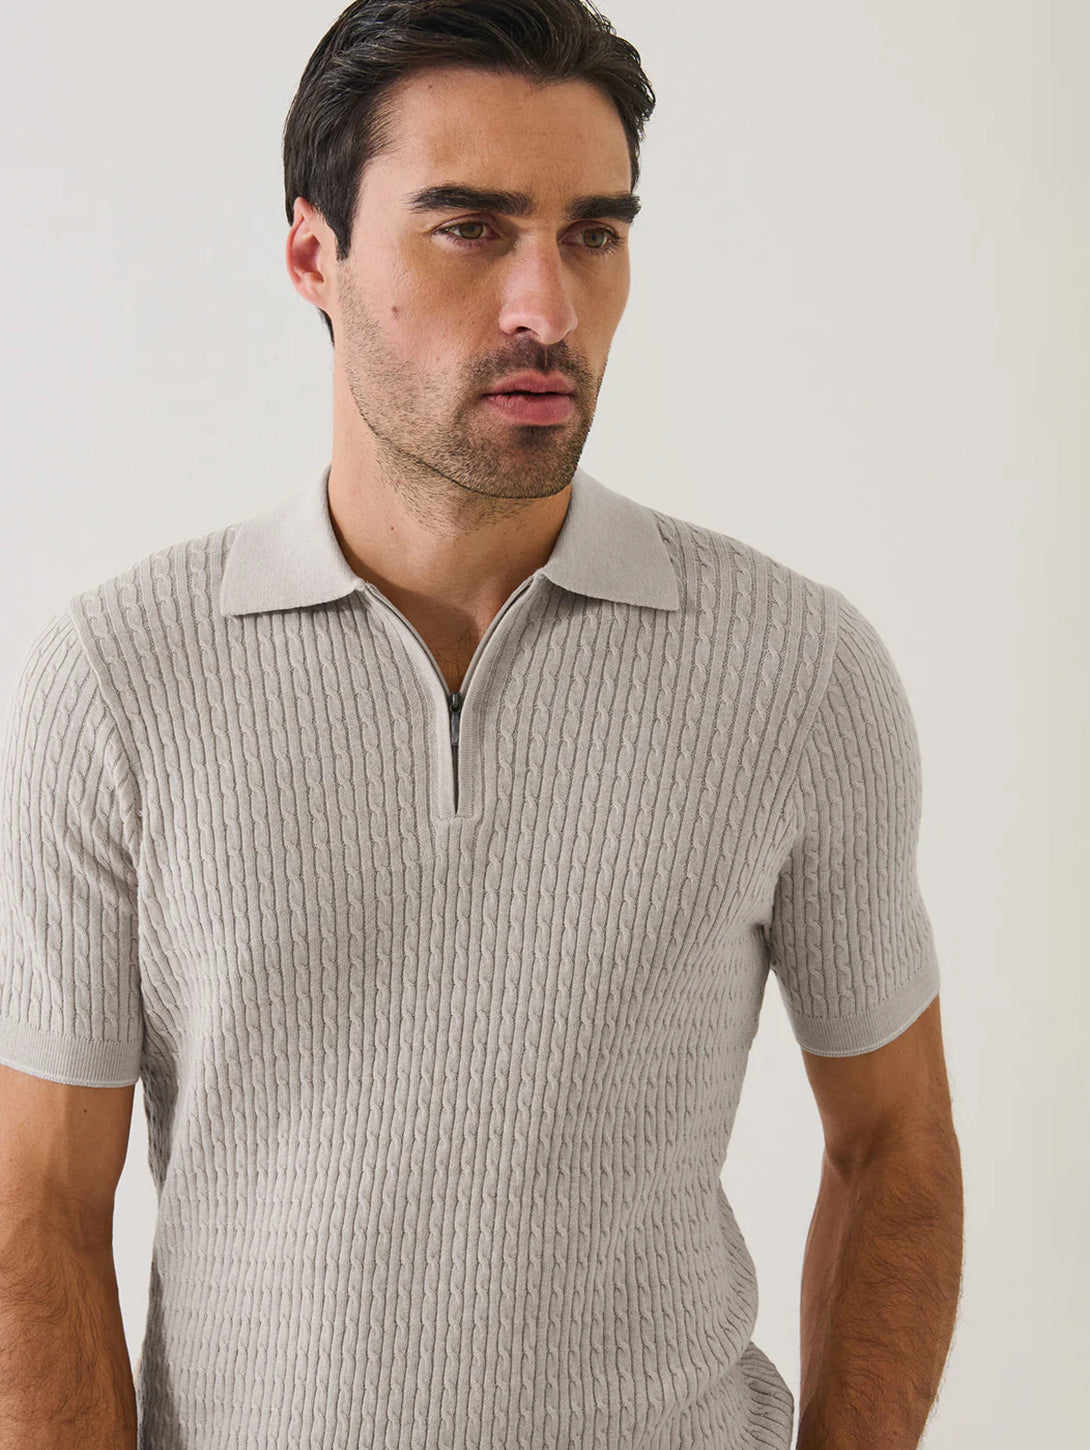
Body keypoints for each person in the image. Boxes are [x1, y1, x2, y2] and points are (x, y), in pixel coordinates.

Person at [0, 1, 963, 1447]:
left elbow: (897, 1145)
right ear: (313, 256)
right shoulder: (121, 677)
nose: (546, 310)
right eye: (469, 228)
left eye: (593, 233)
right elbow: (36, 1208)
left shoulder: (797, 670)